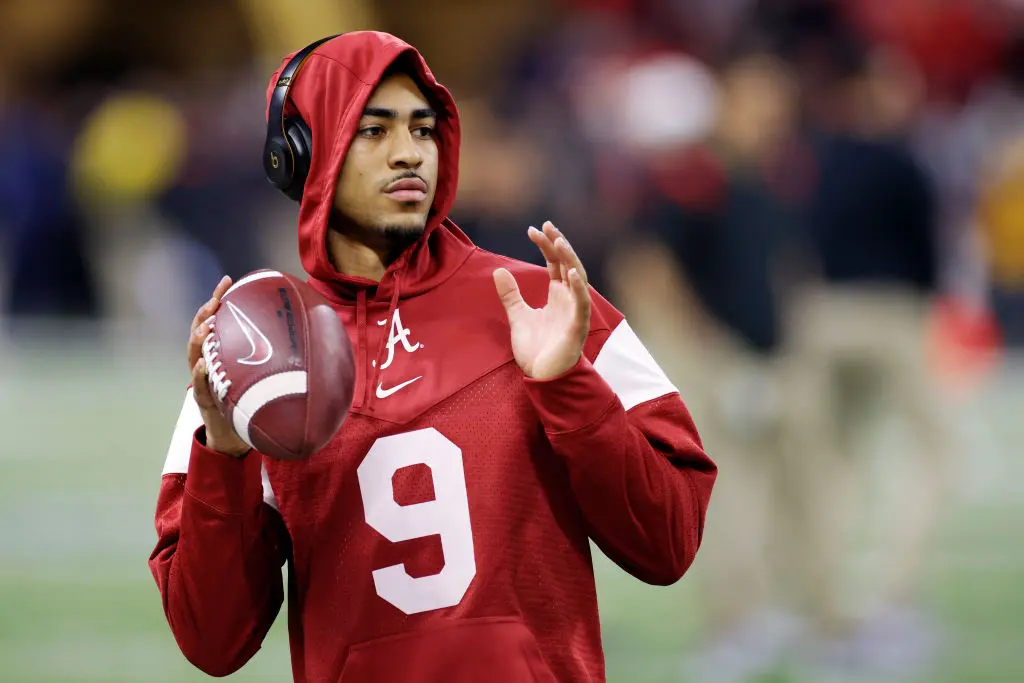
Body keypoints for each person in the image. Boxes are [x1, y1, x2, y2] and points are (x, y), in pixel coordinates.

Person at [148, 31, 717, 683]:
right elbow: (210, 640)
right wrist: (223, 452)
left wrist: (569, 386)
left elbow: (669, 543)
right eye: (374, 131)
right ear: (303, 155)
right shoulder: (251, 355)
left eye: (422, 130)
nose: (408, 154)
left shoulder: (545, 303)